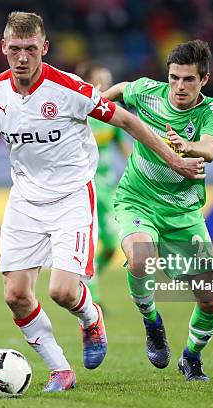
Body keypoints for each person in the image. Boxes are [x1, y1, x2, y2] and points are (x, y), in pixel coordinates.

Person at [0, 12, 205, 392]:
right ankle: (60, 371)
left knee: (62, 291)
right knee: (15, 295)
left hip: (71, 197)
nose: (22, 58)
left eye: (30, 49)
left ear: (44, 48)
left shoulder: (69, 89)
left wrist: (175, 160)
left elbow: (128, 122)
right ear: (3, 48)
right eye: (14, 49)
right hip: (25, 200)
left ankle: (90, 318)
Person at [102, 39, 213, 381]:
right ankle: (151, 321)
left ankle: (191, 357)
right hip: (137, 198)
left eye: (188, 79)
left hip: (183, 212)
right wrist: (94, 108)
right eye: (174, 77)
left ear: (204, 80)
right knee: (141, 257)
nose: (179, 86)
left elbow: (211, 149)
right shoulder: (148, 92)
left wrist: (187, 146)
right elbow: (120, 90)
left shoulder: (212, 112)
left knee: (211, 298)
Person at [75, 62, 131, 308]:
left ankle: (87, 281)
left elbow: (125, 149)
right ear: (86, 83)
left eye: (108, 81)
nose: (105, 86)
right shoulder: (78, 113)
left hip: (108, 188)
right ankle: (93, 298)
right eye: (99, 81)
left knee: (110, 244)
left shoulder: (112, 112)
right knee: (90, 242)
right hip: (82, 187)